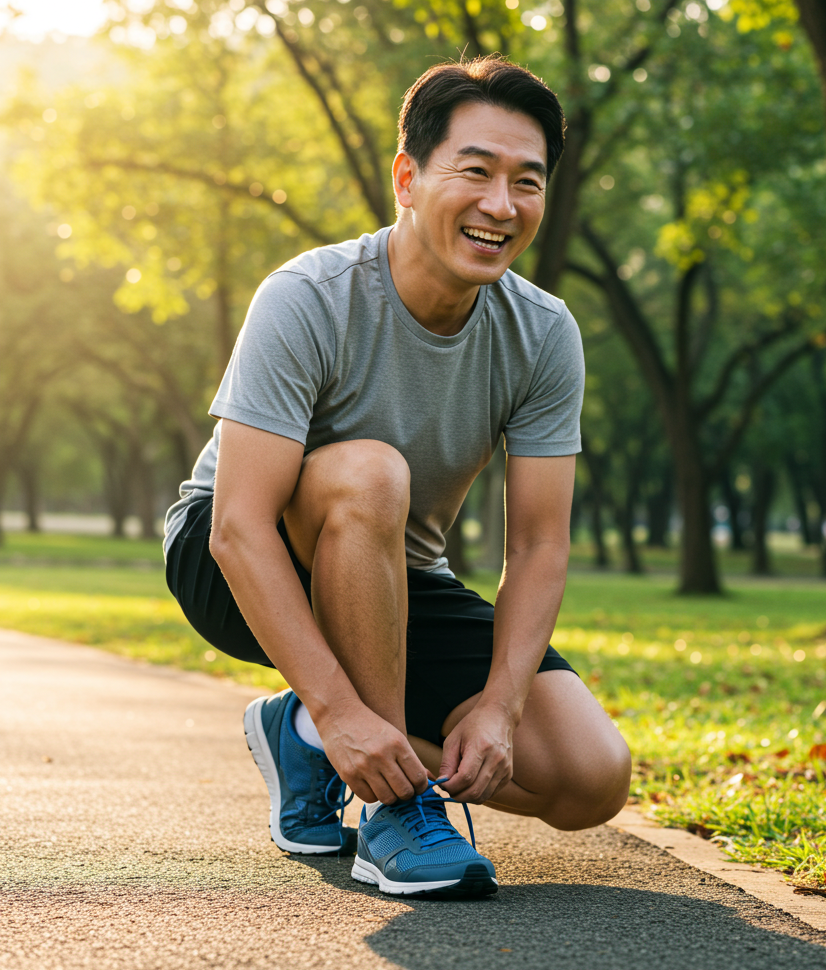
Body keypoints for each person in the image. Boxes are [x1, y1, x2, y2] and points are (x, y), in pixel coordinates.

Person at [163, 56, 632, 899]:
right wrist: (350, 713)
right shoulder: (307, 296)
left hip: (401, 577)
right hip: (231, 557)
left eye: (526, 181)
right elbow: (237, 525)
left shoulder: (543, 333)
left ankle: (302, 730)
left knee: (590, 776)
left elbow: (537, 544)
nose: (501, 205)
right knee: (373, 473)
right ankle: (393, 815)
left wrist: (501, 705)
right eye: (476, 171)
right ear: (408, 179)